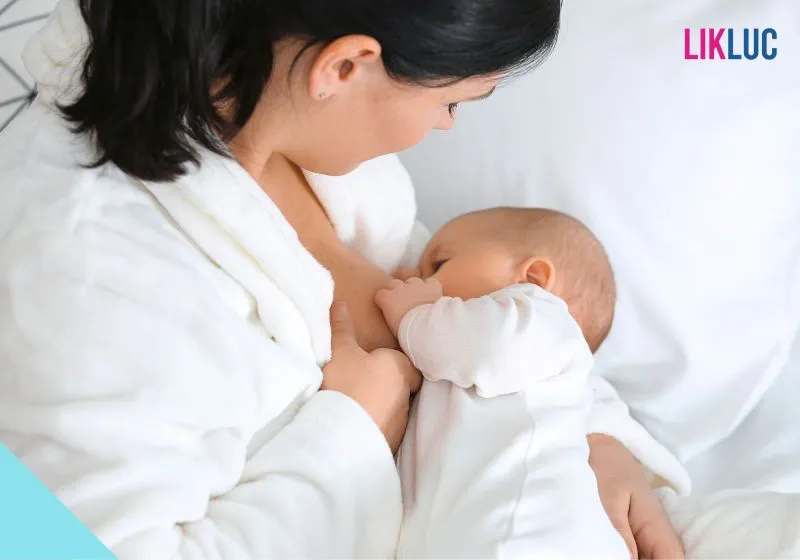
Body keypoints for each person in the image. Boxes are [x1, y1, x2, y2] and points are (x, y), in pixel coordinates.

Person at [0, 0, 683, 559]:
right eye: (454, 105)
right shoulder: (90, 268)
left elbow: (485, 305)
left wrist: (593, 440)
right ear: (347, 65)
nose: (445, 128)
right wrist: (350, 430)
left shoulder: (305, 139)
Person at [375, 207, 629, 558]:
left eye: (438, 264)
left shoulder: (545, 319)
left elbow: (488, 347)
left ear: (534, 279)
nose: (409, 275)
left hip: (532, 531)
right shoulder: (459, 365)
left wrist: (413, 315)